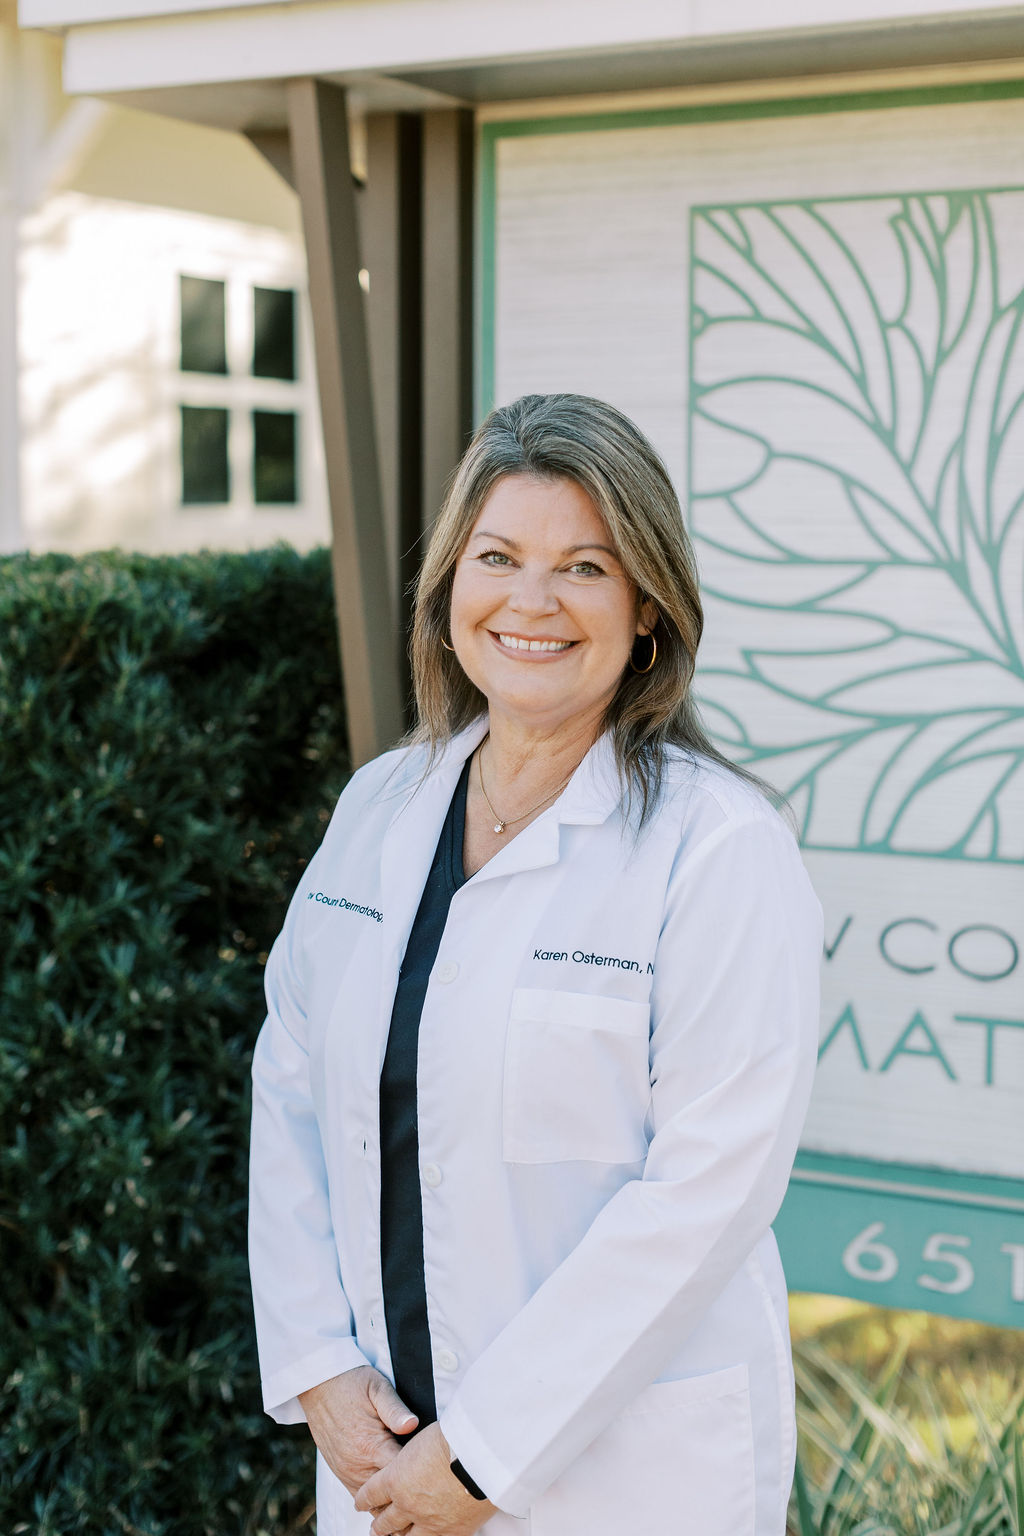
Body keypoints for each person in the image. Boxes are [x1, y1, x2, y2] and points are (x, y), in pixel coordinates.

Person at [248, 393, 823, 1536]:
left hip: (620, 1478)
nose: (531, 601)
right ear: (449, 586)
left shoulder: (719, 849)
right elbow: (293, 1087)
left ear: (648, 607)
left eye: (584, 568)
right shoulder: (381, 806)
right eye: (498, 557)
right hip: (379, 1445)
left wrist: (482, 1457)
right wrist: (317, 1364)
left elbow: (705, 1194)